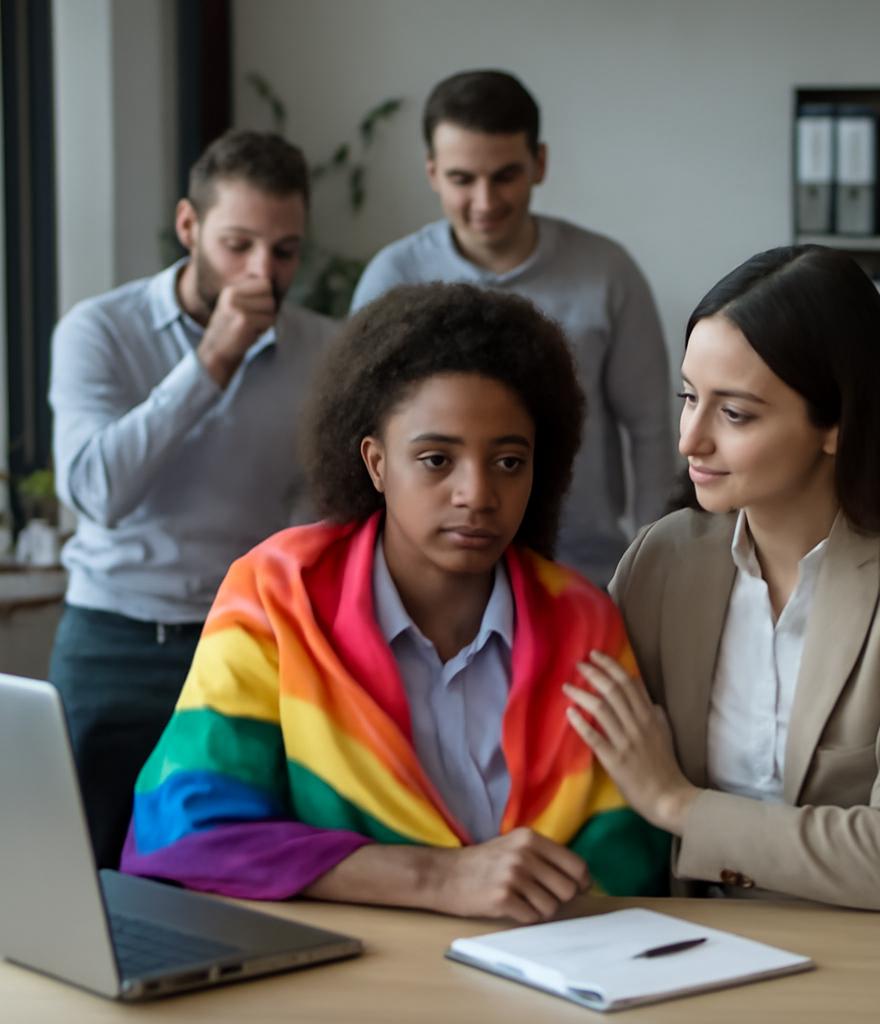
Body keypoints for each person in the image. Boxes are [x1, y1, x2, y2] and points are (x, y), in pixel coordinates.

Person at [120, 283, 670, 922]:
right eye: (437, 459)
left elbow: (631, 852)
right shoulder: (278, 595)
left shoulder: (584, 623)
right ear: (376, 464)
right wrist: (440, 878)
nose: (477, 494)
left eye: (509, 462)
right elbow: (188, 830)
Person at [565, 244, 880, 911]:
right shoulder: (663, 560)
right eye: (689, 398)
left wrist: (676, 803)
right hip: (705, 949)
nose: (691, 438)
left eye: (735, 413)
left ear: (835, 421)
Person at [48, 130, 337, 870]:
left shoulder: (326, 350)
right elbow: (97, 492)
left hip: (243, 642)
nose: (262, 273)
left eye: (284, 251)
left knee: (233, 864)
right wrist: (214, 359)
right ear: (188, 228)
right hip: (112, 636)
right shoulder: (99, 331)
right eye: (237, 245)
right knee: (75, 867)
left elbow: (331, 512)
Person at [351, 69, 674, 587]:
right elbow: (362, 435)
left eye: (504, 176)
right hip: (433, 575)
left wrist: (655, 554)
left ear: (539, 164)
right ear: (432, 172)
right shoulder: (393, 278)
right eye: (462, 179)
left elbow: (651, 430)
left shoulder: (608, 272)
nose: (485, 201)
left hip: (582, 564)